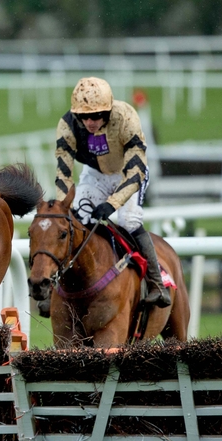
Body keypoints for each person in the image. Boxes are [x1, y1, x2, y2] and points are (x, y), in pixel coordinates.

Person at [52, 76, 171, 310]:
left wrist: (113, 203)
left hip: (127, 173)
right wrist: (61, 207)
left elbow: (136, 170)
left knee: (128, 219)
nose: (90, 122)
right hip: (94, 174)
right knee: (78, 219)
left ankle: (157, 284)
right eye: (85, 116)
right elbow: (63, 175)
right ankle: (58, 285)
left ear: (107, 111)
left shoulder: (125, 116)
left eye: (96, 115)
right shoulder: (67, 125)